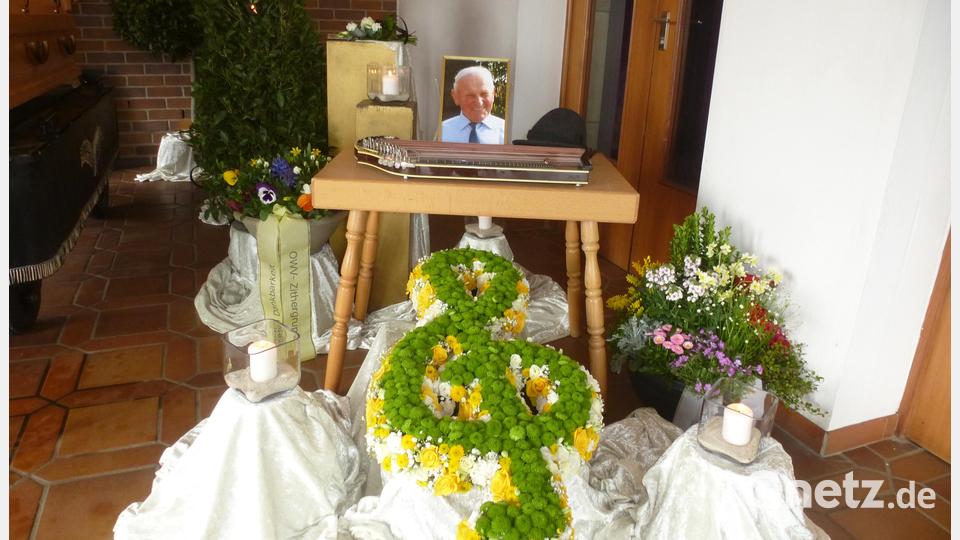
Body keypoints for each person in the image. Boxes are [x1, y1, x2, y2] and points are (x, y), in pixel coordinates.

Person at [440, 66, 505, 144]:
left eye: (484, 94)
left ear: (493, 94)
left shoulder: (506, 131)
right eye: (470, 95)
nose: (479, 102)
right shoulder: (442, 131)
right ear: (455, 96)